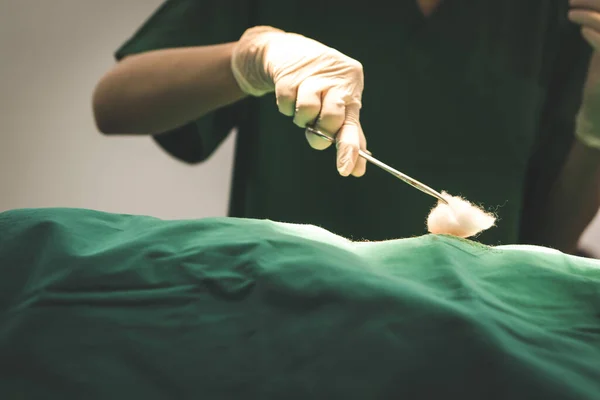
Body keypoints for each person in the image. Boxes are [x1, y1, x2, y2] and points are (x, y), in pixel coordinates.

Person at [92, 0, 600, 253]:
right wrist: (250, 58)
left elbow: (547, 239)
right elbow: (115, 103)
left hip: (473, 351)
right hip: (283, 326)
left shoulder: (560, 16)